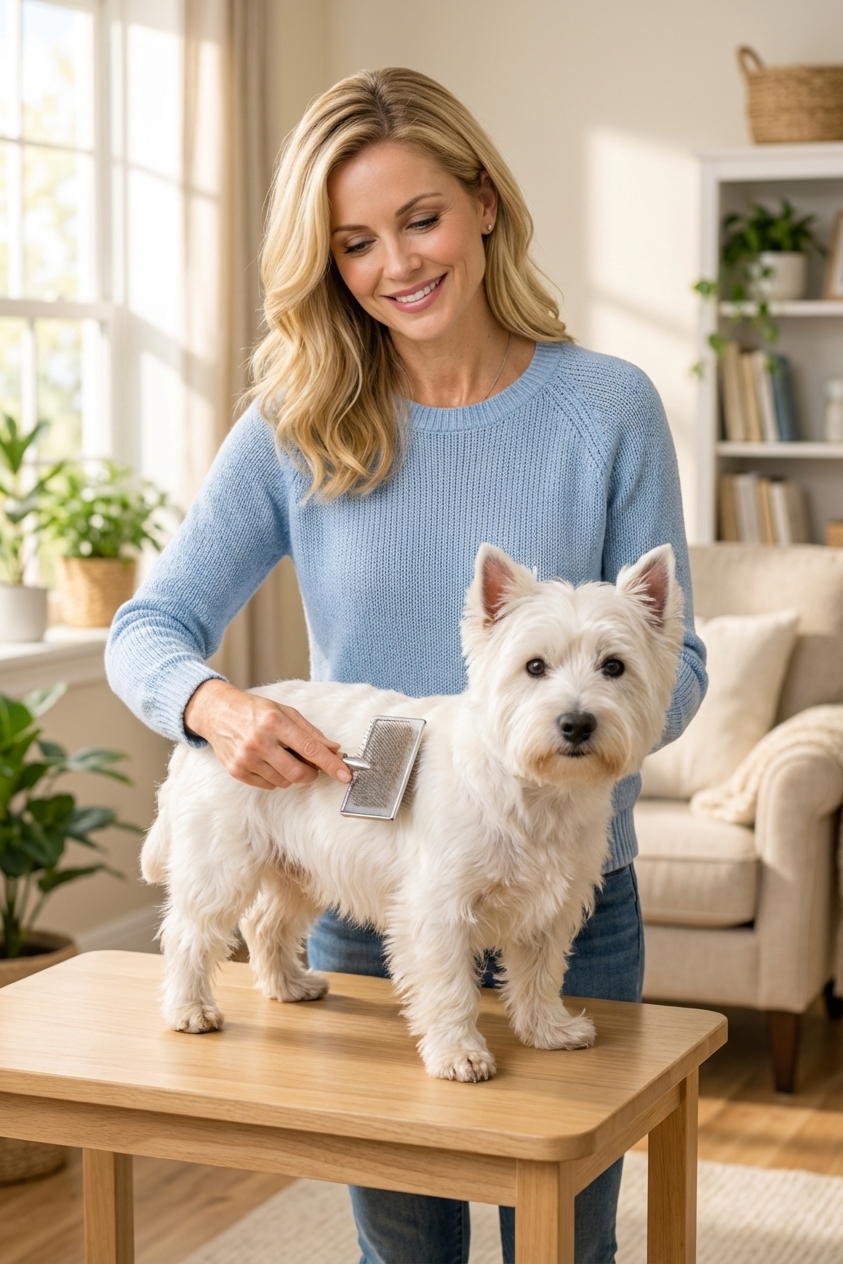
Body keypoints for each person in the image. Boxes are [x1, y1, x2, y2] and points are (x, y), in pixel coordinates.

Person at [106, 66, 707, 1264]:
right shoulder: (300, 418)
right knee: (406, 1253)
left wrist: (586, 727)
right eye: (354, 243)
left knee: (563, 1247)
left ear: (484, 201)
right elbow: (146, 628)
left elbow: (675, 657)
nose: (397, 264)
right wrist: (215, 707)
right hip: (361, 879)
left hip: (577, 899)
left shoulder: (608, 406)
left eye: (420, 218)